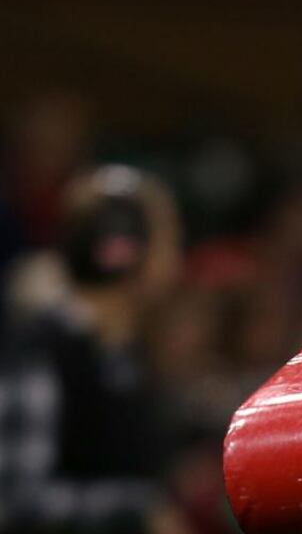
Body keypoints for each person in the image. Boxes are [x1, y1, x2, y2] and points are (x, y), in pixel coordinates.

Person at [0, 165, 190, 534]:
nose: (176, 257)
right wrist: (137, 510)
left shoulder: (126, 352)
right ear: (122, 247)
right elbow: (16, 498)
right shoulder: (44, 348)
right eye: (167, 239)